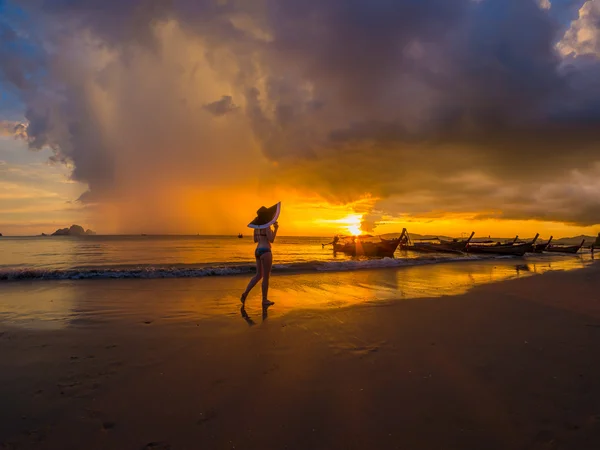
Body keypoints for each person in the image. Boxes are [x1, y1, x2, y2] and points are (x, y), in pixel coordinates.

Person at [241, 220, 279, 306]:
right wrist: (275, 229)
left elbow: (255, 240)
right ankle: (264, 300)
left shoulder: (256, 227)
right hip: (266, 251)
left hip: (258, 250)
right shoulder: (266, 226)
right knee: (266, 277)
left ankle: (246, 293)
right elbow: (271, 239)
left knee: (258, 275)